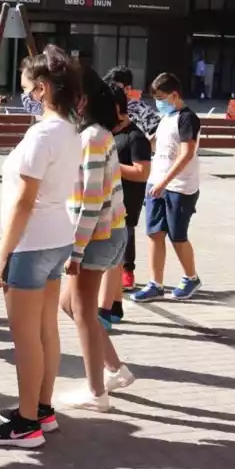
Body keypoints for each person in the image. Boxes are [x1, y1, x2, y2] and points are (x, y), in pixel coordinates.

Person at [0, 46, 83, 449]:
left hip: (31, 243)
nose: (21, 94)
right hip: (57, 238)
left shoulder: (42, 134)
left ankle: (27, 425)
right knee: (44, 331)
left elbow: (24, 201)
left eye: (25, 87)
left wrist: (1, 256)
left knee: (25, 338)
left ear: (41, 89)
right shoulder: (71, 130)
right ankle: (41, 409)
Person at [57, 72, 129, 413]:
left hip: (97, 236)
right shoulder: (94, 134)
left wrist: (76, 249)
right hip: (106, 233)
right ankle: (115, 369)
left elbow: (91, 200)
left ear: (82, 100)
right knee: (70, 305)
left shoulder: (93, 137)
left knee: (83, 310)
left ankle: (97, 393)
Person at [132, 73, 203, 303]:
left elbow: (186, 154)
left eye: (162, 97)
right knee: (154, 233)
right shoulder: (166, 117)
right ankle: (156, 283)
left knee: (177, 235)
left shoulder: (187, 118)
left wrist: (164, 182)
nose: (158, 102)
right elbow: (158, 146)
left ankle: (191, 277)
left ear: (174, 95)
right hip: (156, 183)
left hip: (179, 187)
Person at [99, 85, 151, 324]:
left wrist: (111, 166)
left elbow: (142, 173)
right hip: (106, 203)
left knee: (114, 259)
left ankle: (109, 308)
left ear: (118, 108)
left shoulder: (135, 137)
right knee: (112, 261)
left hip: (126, 205)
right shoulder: (108, 131)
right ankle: (115, 305)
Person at [103, 66, 161, 137]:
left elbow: (159, 134)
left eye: (116, 87)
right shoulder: (103, 106)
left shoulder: (141, 110)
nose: (112, 90)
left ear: (127, 89)